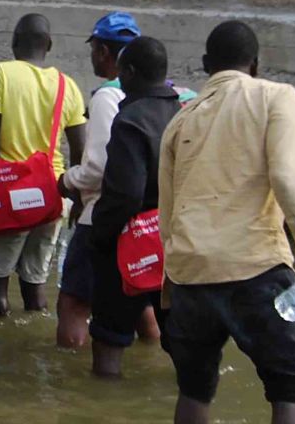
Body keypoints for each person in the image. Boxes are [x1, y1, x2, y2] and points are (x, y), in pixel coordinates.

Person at [158, 21, 295, 424]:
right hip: (254, 268)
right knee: (288, 390)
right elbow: (289, 177)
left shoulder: (180, 121)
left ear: (207, 65)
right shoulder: (276, 97)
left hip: (190, 275)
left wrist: (168, 291)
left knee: (194, 391)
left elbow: (169, 216)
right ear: (256, 64)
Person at [0, 13, 87, 318]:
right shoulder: (68, 85)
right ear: (49, 44)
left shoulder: (0, 74)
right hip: (52, 195)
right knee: (35, 283)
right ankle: (31, 350)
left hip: (10, 195)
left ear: (13, 42)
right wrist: (77, 198)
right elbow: (80, 148)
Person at [87, 36, 179, 378]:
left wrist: (100, 236)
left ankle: (101, 406)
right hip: (175, 244)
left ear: (131, 71)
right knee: (180, 340)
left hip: (129, 245)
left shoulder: (130, 120)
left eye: (122, 72)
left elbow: (125, 194)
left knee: (109, 338)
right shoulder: (184, 115)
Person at [55, 11, 144, 349]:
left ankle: (66, 377)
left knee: (73, 304)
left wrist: (67, 181)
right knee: (143, 302)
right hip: (146, 220)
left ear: (105, 52)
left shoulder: (108, 96)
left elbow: (99, 166)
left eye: (94, 49)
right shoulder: (164, 93)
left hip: (103, 217)